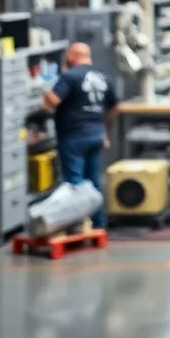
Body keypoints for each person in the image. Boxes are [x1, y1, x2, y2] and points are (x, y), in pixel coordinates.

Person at [44, 42, 118, 230]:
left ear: (71, 56)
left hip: (73, 137)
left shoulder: (69, 76)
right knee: (93, 182)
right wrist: (105, 131)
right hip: (96, 135)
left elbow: (52, 102)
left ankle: (75, 226)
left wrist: (44, 88)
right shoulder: (104, 77)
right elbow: (114, 107)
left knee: (74, 184)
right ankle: (98, 223)